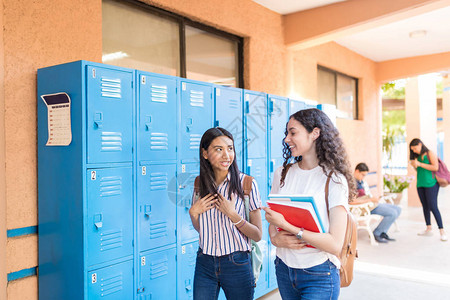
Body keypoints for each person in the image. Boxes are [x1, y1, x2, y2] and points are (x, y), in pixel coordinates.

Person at [263, 108, 355, 300]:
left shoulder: (334, 179)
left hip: (319, 274)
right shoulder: (282, 173)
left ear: (315, 133)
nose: (287, 139)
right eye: (286, 133)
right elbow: (273, 220)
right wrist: (275, 238)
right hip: (284, 268)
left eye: (293, 132)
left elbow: (335, 244)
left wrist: (289, 227)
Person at [189, 127, 263, 300]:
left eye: (230, 148)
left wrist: (234, 216)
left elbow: (258, 235)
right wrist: (193, 214)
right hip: (205, 262)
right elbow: (202, 229)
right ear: (205, 154)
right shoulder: (199, 184)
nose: (226, 155)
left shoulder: (247, 184)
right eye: (219, 149)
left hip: (237, 263)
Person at [352, 162, 401, 243]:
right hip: (364, 207)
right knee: (392, 213)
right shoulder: (352, 183)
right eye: (363, 175)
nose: (363, 177)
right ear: (357, 171)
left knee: (398, 209)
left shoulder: (361, 182)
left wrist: (374, 199)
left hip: (371, 204)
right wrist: (370, 200)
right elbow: (352, 201)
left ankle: (382, 232)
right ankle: (377, 233)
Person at [409, 138, 447, 242]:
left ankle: (442, 231)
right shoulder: (417, 156)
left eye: (415, 148)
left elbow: (435, 167)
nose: (414, 151)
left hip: (431, 184)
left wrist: (420, 164)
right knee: (425, 206)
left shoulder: (429, 153)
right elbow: (419, 170)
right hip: (420, 183)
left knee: (433, 206)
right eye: (412, 150)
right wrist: (415, 165)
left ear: (420, 144)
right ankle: (428, 228)